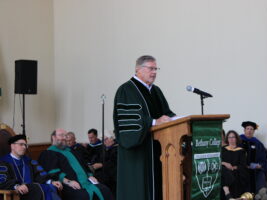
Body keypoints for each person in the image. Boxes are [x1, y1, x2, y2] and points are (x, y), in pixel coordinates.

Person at [113, 55, 176, 200]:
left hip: (156, 150)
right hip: (137, 153)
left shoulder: (156, 91)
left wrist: (176, 119)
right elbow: (129, 123)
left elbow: (166, 113)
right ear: (138, 70)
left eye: (156, 69)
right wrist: (154, 122)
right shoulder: (126, 90)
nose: (154, 72)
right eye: (151, 68)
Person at [38, 129, 114, 200]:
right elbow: (52, 173)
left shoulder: (71, 150)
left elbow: (84, 165)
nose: (64, 138)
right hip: (68, 184)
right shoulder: (48, 153)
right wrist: (69, 182)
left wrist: (90, 175)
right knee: (82, 196)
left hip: (87, 182)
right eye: (61, 135)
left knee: (105, 190)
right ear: (53, 137)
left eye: (65, 135)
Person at [0, 134, 62, 200]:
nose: (24, 147)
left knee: (50, 187)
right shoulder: (4, 162)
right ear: (12, 146)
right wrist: (17, 186)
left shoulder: (29, 161)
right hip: (16, 194)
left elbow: (40, 175)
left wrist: (50, 181)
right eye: (21, 144)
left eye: (25, 145)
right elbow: (3, 181)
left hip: (33, 192)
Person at [240, 121, 267, 198]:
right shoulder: (239, 141)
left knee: (260, 172)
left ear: (254, 131)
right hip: (242, 168)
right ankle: (253, 195)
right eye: (248, 129)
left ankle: (261, 192)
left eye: (251, 129)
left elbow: (264, 158)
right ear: (244, 130)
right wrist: (245, 166)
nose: (249, 131)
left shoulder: (258, 143)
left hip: (254, 169)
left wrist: (260, 165)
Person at [221, 130, 249, 200]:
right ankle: (229, 196)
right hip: (224, 171)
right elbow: (218, 161)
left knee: (227, 173)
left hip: (236, 171)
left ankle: (228, 195)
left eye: (233, 137)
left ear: (236, 139)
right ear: (227, 139)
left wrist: (233, 168)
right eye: (229, 137)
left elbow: (243, 165)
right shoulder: (223, 149)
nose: (231, 139)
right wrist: (225, 163)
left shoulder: (241, 151)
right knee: (223, 169)